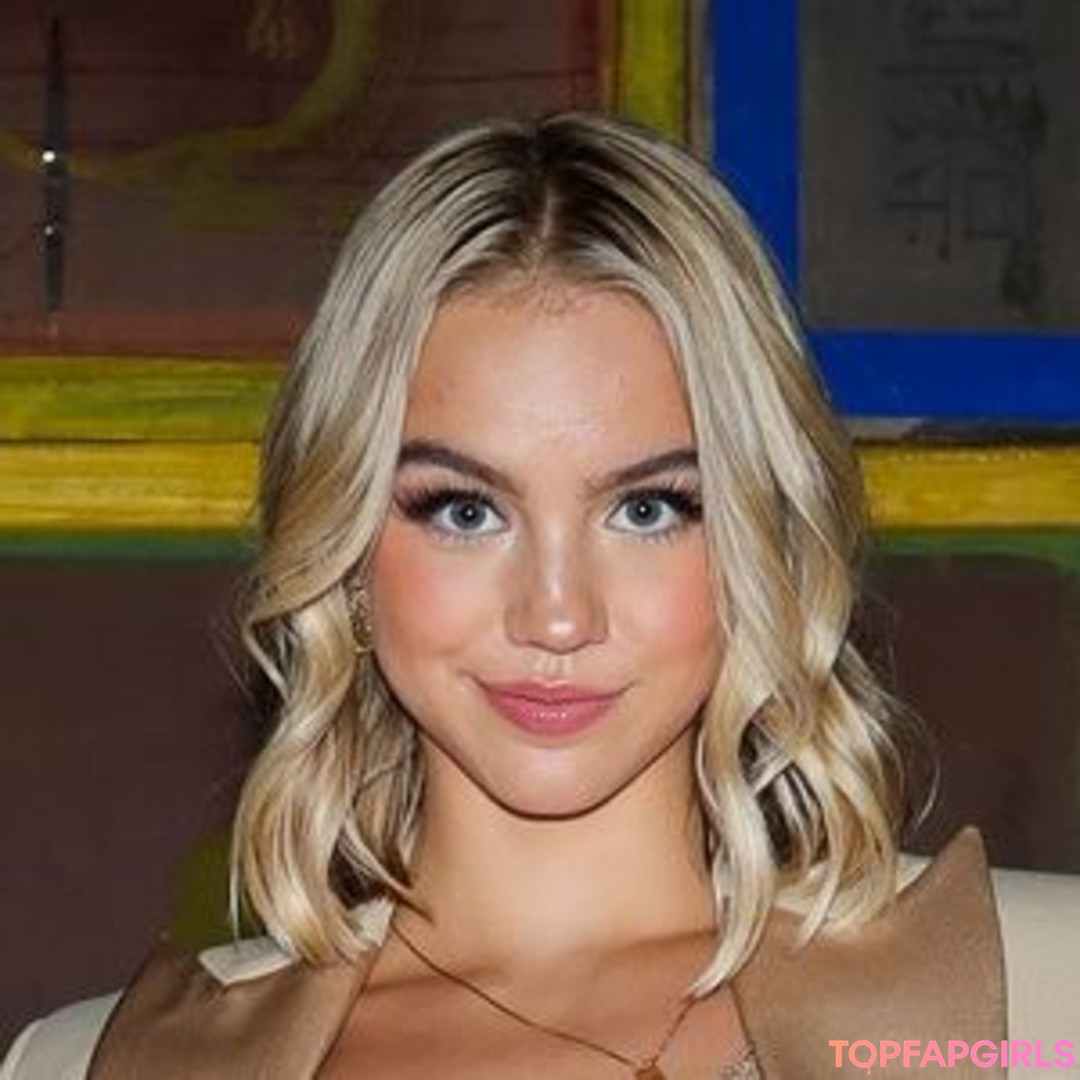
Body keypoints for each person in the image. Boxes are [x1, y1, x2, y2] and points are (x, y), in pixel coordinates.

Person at [3, 112, 1078, 1080]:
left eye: (648, 509)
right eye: (465, 511)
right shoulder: (93, 1068)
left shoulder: (1035, 1011)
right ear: (346, 550)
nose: (557, 616)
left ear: (759, 540)